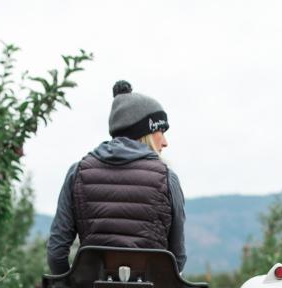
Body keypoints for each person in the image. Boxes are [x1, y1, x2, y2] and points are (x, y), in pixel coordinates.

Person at [46, 80, 187, 275]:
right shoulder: (167, 178)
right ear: (144, 133)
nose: (165, 142)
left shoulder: (77, 173)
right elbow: (177, 256)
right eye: (160, 131)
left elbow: (56, 253)